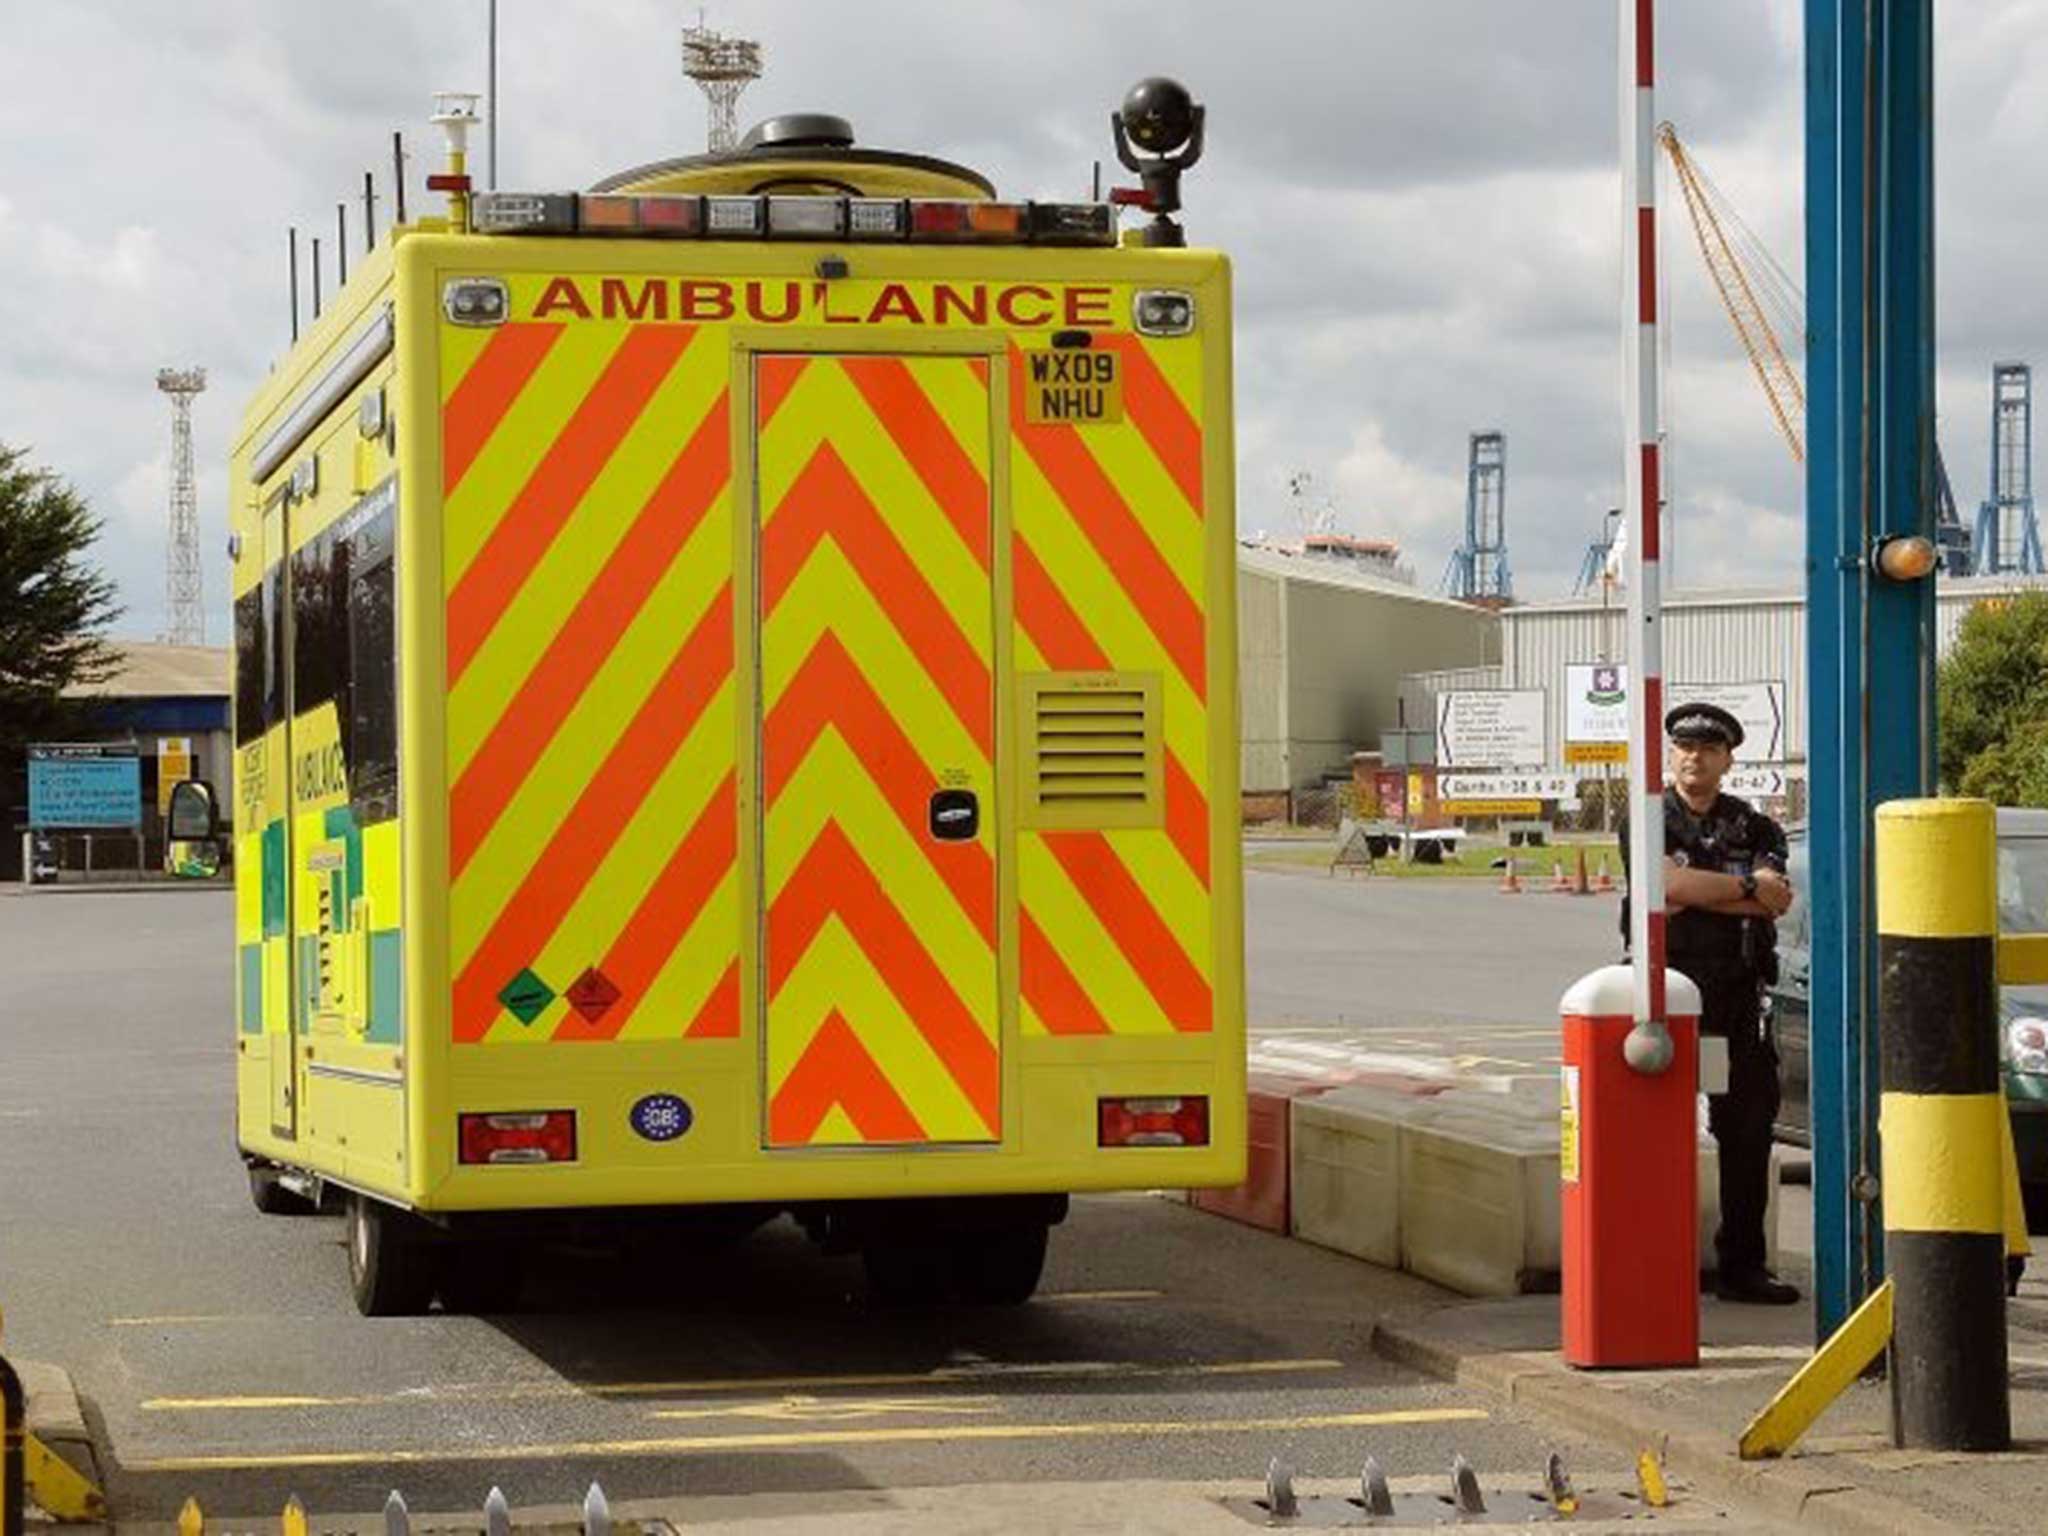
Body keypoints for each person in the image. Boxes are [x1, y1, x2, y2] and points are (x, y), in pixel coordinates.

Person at [1618, 702, 1799, 1305]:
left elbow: (1776, 901)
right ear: (1670, 754)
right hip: (1663, 994)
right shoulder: (1647, 820)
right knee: (1650, 1129)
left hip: (1735, 996)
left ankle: (1743, 1267)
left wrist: (1707, 892)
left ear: (1727, 759)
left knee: (1746, 1130)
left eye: (1708, 749)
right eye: (1684, 747)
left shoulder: (1754, 826)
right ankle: (1647, 1260)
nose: (1694, 757)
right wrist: (1742, 888)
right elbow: (1664, 891)